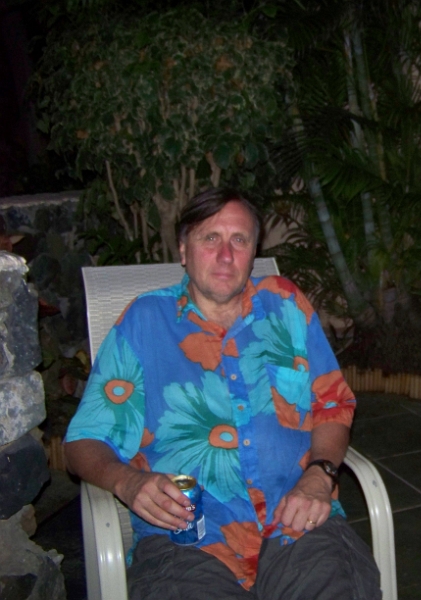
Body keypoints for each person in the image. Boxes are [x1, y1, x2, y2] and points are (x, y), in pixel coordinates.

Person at [65, 189, 381, 600]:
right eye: (210, 238)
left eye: (239, 240)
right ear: (183, 250)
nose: (226, 255)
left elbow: (333, 405)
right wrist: (126, 481)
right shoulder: (144, 322)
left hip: (298, 521)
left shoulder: (285, 303)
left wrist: (320, 474)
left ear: (254, 252)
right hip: (188, 541)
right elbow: (83, 441)